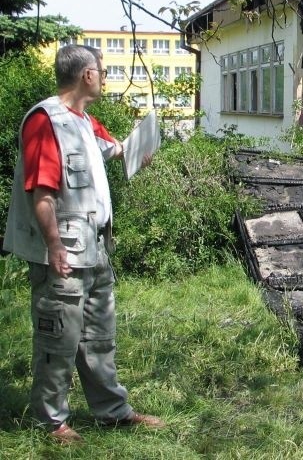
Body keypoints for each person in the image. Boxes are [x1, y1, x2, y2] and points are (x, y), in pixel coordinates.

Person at [3, 45, 165, 444]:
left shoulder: (84, 121)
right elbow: (41, 191)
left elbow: (115, 150)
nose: (106, 77)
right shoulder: (46, 121)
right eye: (103, 70)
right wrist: (54, 246)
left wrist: (138, 150)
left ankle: (112, 411)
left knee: (99, 337)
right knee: (57, 338)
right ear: (86, 75)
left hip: (95, 249)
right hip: (63, 253)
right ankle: (51, 421)